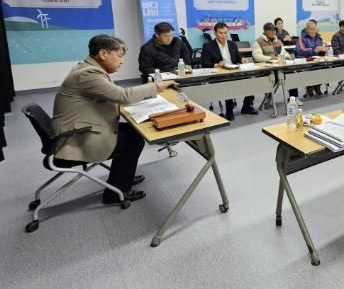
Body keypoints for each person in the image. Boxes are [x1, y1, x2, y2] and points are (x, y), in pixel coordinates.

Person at [51, 35, 176, 204]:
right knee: (133, 140)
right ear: (103, 54)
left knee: (133, 132)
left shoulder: (89, 68)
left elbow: (115, 94)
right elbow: (122, 96)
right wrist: (155, 87)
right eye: (119, 56)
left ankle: (123, 178)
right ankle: (116, 193)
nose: (122, 61)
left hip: (80, 129)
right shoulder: (88, 74)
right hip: (75, 139)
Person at [200, 22, 258, 119]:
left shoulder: (232, 44)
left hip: (234, 71)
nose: (223, 35)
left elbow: (238, 57)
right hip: (220, 74)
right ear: (215, 33)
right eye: (221, 33)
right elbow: (204, 63)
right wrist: (216, 65)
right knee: (228, 82)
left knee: (251, 79)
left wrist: (242, 59)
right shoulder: (208, 46)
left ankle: (247, 106)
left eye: (225, 33)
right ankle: (229, 110)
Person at [254, 22, 299, 99]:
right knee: (273, 77)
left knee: (292, 75)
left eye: (274, 30)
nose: (273, 32)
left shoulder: (278, 41)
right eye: (270, 30)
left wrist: (288, 57)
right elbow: (257, 57)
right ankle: (268, 97)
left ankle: (293, 99)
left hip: (280, 67)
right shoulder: (258, 42)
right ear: (265, 31)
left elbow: (284, 52)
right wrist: (271, 58)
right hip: (268, 69)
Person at [296, 20, 328, 96]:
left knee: (325, 67)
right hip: (306, 61)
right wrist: (314, 50)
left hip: (317, 61)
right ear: (307, 30)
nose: (313, 31)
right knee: (311, 68)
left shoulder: (319, 38)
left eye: (314, 29)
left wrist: (324, 50)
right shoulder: (302, 38)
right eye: (311, 29)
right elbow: (300, 51)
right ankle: (309, 87)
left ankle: (317, 86)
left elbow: (320, 52)